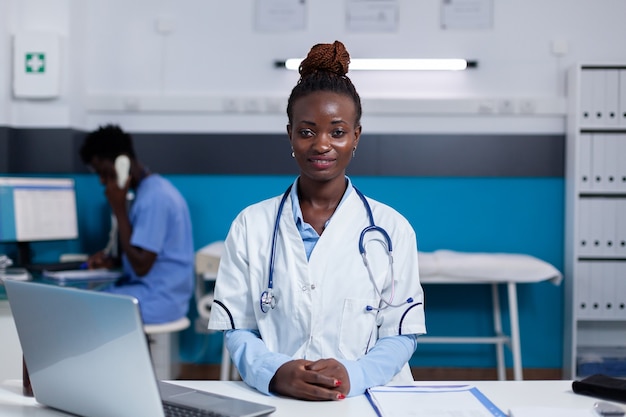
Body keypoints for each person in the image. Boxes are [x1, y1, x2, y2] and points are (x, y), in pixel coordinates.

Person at [208, 41, 426, 401]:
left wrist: (354, 374)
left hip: (368, 397)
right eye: (307, 131)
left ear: (355, 136)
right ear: (290, 135)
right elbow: (237, 327)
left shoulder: (391, 229)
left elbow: (402, 332)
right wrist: (274, 372)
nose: (321, 144)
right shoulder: (251, 225)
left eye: (337, 132)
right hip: (278, 398)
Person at [79, 124, 194, 325]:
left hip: (159, 299)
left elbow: (141, 266)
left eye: (103, 172)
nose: (101, 181)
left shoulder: (154, 198)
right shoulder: (151, 190)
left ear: (121, 162)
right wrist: (114, 261)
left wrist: (119, 208)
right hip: (160, 293)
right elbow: (147, 255)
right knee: (84, 300)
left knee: (76, 307)